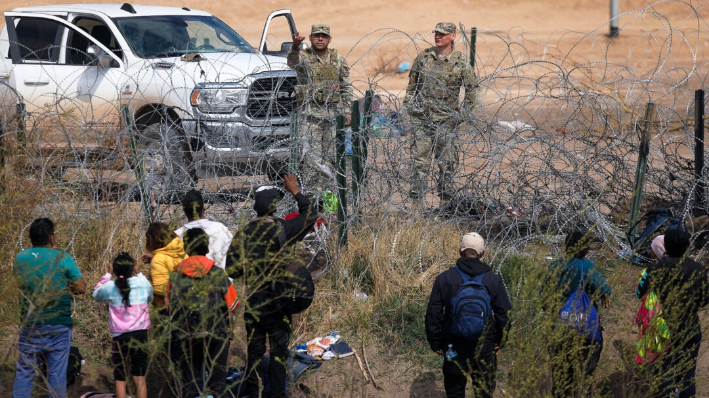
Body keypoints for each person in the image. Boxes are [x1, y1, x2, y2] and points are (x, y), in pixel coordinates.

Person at [227, 174, 317, 398]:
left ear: (255, 207)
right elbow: (311, 215)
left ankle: (251, 392)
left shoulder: (243, 235)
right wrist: (295, 190)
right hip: (280, 302)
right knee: (278, 353)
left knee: (255, 352)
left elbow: (232, 270)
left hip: (256, 303)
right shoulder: (285, 229)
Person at [425, 232, 511, 398]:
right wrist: (500, 340)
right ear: (482, 254)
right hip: (484, 345)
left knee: (455, 390)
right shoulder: (493, 280)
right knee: (483, 392)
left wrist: (435, 342)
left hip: (453, 344)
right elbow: (503, 313)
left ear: (460, 251)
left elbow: (434, 313)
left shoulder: (445, 279)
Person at [12, 218, 86, 398]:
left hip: (31, 324)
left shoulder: (20, 258)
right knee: (56, 376)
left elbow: (21, 284)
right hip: (58, 324)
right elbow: (81, 288)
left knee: (25, 372)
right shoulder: (62, 257)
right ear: (51, 238)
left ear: (31, 237)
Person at [403, 22, 478, 202]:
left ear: (453, 36)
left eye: (443, 34)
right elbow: (412, 86)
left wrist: (464, 115)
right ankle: (416, 201)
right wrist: (410, 107)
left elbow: (472, 90)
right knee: (420, 160)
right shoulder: (424, 58)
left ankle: (445, 200)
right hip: (422, 117)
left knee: (446, 161)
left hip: (446, 119)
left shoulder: (460, 63)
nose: (439, 36)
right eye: (437, 33)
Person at [166, 228, 239, 398]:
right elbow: (233, 305)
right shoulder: (218, 274)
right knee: (217, 384)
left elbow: (169, 308)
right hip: (216, 334)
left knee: (189, 382)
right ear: (207, 248)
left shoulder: (175, 277)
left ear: (186, 249)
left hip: (186, 335)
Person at [636, 228, 709, 397]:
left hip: (663, 330)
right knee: (687, 375)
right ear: (686, 247)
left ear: (665, 246)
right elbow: (705, 299)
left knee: (663, 375)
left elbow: (642, 293)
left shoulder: (655, 269)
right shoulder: (697, 269)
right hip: (689, 327)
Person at [288, 23, 353, 190]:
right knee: (311, 158)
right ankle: (310, 196)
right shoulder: (304, 57)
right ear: (310, 38)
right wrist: (295, 46)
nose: (320, 39)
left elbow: (345, 86)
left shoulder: (338, 60)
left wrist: (347, 112)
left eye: (323, 36)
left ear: (329, 39)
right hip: (311, 117)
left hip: (332, 116)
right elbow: (293, 63)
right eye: (316, 35)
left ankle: (327, 193)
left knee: (330, 157)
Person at [547, 230, 611, 398]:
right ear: (585, 249)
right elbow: (604, 288)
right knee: (584, 377)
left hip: (558, 329)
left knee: (560, 377)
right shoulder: (586, 266)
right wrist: (604, 296)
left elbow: (544, 300)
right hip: (585, 331)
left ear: (566, 247)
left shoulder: (554, 266)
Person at [93, 253, 153, 398]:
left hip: (120, 337)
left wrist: (108, 274)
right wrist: (139, 274)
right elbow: (150, 296)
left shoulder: (110, 286)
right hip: (140, 334)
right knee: (139, 376)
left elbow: (96, 295)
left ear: (114, 268)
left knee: (120, 375)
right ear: (133, 267)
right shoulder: (142, 283)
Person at [173, 189, 233, 270]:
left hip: (188, 281)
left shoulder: (175, 236)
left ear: (184, 211)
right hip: (222, 280)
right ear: (203, 208)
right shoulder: (220, 228)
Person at [142, 222, 186, 310]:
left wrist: (145, 284)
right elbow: (172, 263)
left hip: (166, 308)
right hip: (184, 302)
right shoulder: (181, 249)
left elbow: (161, 289)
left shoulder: (159, 259)